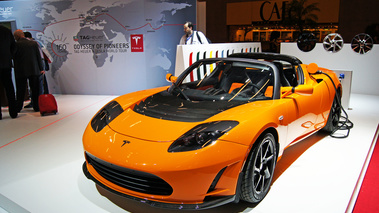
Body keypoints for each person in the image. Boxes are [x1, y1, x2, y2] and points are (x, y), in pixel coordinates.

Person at [13, 29, 45, 112]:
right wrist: (41, 68)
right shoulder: (33, 44)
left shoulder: (16, 45)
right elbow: (39, 57)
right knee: (35, 90)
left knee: (20, 90)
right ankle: (36, 107)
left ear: (17, 36)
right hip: (34, 69)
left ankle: (18, 107)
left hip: (21, 71)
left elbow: (13, 57)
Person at [0, 25, 18, 119]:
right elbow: (14, 47)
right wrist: (9, 56)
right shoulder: (6, 31)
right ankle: (13, 112)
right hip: (6, 64)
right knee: (10, 89)